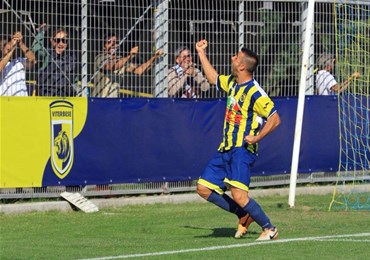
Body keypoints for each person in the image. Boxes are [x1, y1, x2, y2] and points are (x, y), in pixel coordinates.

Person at [195, 39, 281, 241]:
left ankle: (270, 228)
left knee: (239, 195)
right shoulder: (233, 83)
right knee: (203, 188)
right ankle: (243, 214)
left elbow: (275, 118)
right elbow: (213, 78)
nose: (232, 58)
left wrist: (257, 137)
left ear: (242, 65)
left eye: (236, 56)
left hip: (242, 150)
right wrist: (201, 53)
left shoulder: (254, 92)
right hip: (225, 148)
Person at [93, 33, 163, 98]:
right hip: (99, 99)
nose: (113, 45)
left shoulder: (121, 60)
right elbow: (111, 67)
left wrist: (154, 57)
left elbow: (139, 70)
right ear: (104, 46)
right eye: (109, 42)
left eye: (116, 43)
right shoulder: (100, 57)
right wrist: (129, 56)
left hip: (114, 102)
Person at [31, 26, 79, 97]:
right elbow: (35, 50)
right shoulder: (46, 55)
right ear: (52, 41)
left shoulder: (72, 58)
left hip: (66, 99)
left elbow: (75, 81)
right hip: (45, 98)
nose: (61, 43)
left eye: (64, 41)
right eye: (58, 40)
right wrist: (41, 33)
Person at [0, 31, 36, 96]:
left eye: (7, 43)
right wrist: (12, 49)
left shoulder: (19, 61)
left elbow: (33, 60)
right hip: (4, 102)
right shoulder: (2, 62)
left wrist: (21, 44)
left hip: (21, 101)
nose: (6, 46)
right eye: (4, 45)